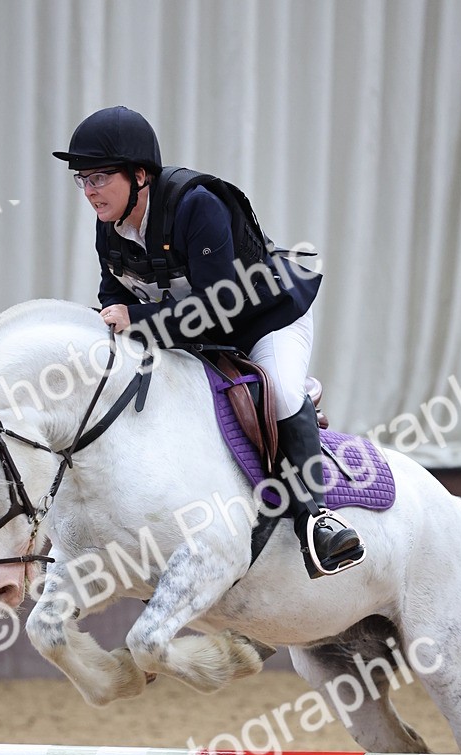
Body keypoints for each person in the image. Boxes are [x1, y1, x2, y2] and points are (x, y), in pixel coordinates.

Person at [54, 106, 364, 578]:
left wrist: (135, 318)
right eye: (83, 179)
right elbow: (113, 295)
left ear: (140, 175)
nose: (90, 190)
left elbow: (215, 309)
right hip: (200, 336)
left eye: (100, 177)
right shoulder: (109, 225)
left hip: (266, 320)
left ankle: (317, 521)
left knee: (281, 391)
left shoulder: (197, 205)